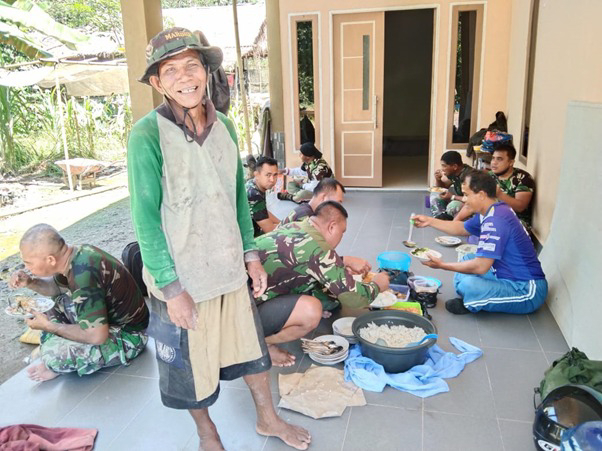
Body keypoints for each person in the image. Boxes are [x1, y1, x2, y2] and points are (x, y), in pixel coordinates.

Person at [128, 28, 310, 450]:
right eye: (169, 70)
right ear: (157, 82)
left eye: (192, 65)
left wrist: (251, 257)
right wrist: (172, 290)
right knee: (191, 369)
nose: (183, 77)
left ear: (206, 71)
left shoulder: (226, 126)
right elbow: (146, 221)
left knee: (250, 350)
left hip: (228, 270)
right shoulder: (147, 136)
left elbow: (235, 201)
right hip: (183, 281)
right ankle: (207, 433)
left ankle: (268, 418)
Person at [9, 224, 149, 382]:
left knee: (53, 356)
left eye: (29, 263)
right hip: (109, 322)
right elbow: (56, 289)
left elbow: (97, 337)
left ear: (50, 259)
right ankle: (61, 342)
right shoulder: (77, 255)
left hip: (131, 336)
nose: (26, 268)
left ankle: (59, 361)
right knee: (51, 305)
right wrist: (30, 281)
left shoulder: (83, 275)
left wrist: (50, 327)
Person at [256, 202, 389, 366]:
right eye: (342, 232)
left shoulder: (296, 225)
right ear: (332, 227)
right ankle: (259, 345)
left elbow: (301, 267)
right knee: (311, 311)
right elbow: (354, 297)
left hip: (239, 301)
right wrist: (377, 284)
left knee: (317, 301)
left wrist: (340, 265)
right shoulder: (319, 249)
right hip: (244, 313)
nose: (342, 237)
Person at [413, 171, 547, 315]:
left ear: (481, 195)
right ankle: (476, 296)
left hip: (526, 289)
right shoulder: (492, 209)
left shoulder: (496, 221)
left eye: (467, 195)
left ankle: (473, 300)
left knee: (470, 285)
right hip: (502, 274)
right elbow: (462, 228)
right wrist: (430, 221)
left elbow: (481, 267)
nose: (464, 199)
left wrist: (442, 266)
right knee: (466, 259)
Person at [454, 143, 536, 231]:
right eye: (493, 158)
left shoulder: (523, 178)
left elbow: (520, 207)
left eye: (499, 159)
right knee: (455, 207)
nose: (494, 163)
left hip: (515, 220)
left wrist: (500, 195)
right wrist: (455, 221)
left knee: (489, 225)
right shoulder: (490, 176)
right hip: (491, 214)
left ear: (511, 162)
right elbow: (474, 200)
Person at [279, 177, 345, 226]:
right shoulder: (306, 218)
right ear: (324, 198)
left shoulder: (307, 210)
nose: (339, 207)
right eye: (337, 202)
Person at [430, 150, 472, 220]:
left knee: (453, 205)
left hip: (470, 204)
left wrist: (452, 197)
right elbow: (444, 187)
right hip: (461, 199)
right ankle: (441, 216)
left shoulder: (469, 177)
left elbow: (471, 199)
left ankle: (452, 221)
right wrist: (438, 179)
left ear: (455, 166)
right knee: (435, 194)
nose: (442, 169)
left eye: (444, 166)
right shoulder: (455, 173)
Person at [246, 156, 280, 236]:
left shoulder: (253, 183)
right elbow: (270, 230)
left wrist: (282, 222)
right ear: (257, 175)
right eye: (268, 175)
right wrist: (290, 226)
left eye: (275, 175)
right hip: (246, 240)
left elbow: (262, 211)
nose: (272, 179)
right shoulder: (254, 195)